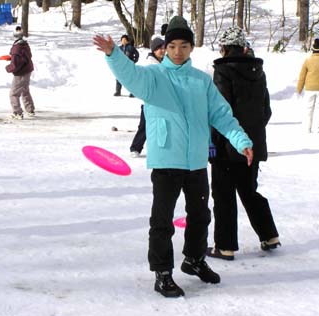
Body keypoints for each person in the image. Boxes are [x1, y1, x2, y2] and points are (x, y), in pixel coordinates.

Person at [93, 16, 253, 298]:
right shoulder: (154, 77)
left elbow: (221, 115)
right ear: (165, 48)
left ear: (191, 48)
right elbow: (130, 75)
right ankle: (163, 272)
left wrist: (241, 141)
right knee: (163, 221)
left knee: (201, 216)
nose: (178, 51)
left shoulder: (201, 81)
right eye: (173, 46)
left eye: (184, 45)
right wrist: (113, 54)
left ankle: (194, 260)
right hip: (166, 160)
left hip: (195, 162)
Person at [206, 27, 280, 262]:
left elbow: (220, 111)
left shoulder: (222, 71)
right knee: (249, 191)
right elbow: (266, 110)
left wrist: (214, 143)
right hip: (253, 146)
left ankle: (225, 246)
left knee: (223, 194)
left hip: (228, 146)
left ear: (224, 48)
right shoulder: (258, 72)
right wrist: (254, 133)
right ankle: (269, 235)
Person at [129, 36, 165, 158]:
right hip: (151, 102)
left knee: (162, 127)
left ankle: (161, 149)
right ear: (154, 50)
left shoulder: (163, 63)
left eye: (163, 48)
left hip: (162, 102)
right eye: (159, 48)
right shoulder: (151, 64)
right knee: (144, 126)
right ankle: (135, 148)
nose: (162, 50)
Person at [5, 26, 35, 119]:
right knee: (25, 90)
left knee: (14, 93)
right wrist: (12, 58)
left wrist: (7, 67)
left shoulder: (16, 48)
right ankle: (30, 110)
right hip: (27, 70)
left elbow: (15, 65)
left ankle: (17, 112)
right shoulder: (25, 44)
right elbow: (25, 57)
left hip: (21, 73)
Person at [297, 38, 319, 133]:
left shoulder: (308, 60)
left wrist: (299, 88)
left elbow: (302, 76)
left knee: (309, 109)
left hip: (309, 88)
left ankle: (307, 128)